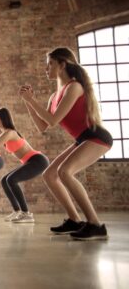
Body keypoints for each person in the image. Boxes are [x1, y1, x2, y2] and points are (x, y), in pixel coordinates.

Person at [19, 47, 112, 240]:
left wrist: (33, 100)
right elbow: (43, 126)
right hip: (82, 139)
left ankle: (95, 225)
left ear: (62, 65)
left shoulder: (74, 87)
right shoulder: (54, 96)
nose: (46, 68)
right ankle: (74, 220)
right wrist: (28, 102)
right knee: (50, 174)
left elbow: (53, 120)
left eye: (50, 64)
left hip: (96, 136)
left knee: (64, 172)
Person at [0, 108, 49, 223]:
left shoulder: (10, 133)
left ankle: (26, 214)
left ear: (3, 119)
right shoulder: (4, 134)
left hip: (37, 161)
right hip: (30, 161)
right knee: (4, 180)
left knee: (11, 179)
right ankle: (17, 211)